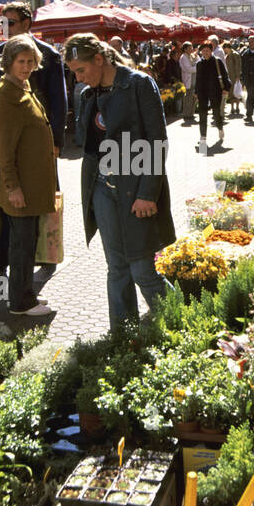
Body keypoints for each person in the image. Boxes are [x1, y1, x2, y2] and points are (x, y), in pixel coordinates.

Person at [65, 33, 174, 330]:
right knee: (117, 268)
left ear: (99, 59)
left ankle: (180, 324)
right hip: (101, 188)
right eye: (74, 72)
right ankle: (123, 336)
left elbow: (157, 140)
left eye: (81, 70)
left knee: (142, 269)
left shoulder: (138, 84)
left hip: (136, 190)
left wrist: (148, 193)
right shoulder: (89, 94)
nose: (78, 78)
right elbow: (87, 146)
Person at [0, 2, 66, 273]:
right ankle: (1, 252)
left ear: (27, 23)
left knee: (43, 199)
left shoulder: (48, 55)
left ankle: (45, 253)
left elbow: (59, 101)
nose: (6, 28)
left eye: (12, 22)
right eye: (3, 23)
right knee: (5, 195)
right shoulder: (0, 53)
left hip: (39, 141)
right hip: (9, 136)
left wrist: (57, 142)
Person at [0, 36, 58, 318]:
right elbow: (5, 149)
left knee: (28, 243)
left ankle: (25, 292)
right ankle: (20, 302)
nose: (27, 66)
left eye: (31, 61)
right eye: (21, 61)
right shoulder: (7, 94)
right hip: (22, 188)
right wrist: (12, 187)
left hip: (33, 184)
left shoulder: (23, 86)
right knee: (21, 246)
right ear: (9, 61)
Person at [194, 41, 229, 151]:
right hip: (203, 92)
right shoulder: (199, 64)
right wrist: (196, 93)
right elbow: (198, 80)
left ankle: (220, 127)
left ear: (211, 50)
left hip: (215, 91)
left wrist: (226, 88)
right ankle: (203, 138)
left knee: (216, 112)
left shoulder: (217, 61)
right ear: (201, 52)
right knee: (202, 115)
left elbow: (225, 75)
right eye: (203, 51)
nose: (206, 52)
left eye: (208, 50)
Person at [178, 40, 196, 124]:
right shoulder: (183, 57)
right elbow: (188, 69)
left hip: (194, 80)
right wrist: (197, 67)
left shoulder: (191, 56)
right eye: (189, 48)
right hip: (188, 80)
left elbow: (198, 61)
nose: (191, 49)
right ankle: (186, 114)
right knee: (188, 98)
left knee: (193, 97)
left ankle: (191, 113)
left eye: (191, 47)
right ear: (185, 49)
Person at [224, 41, 243, 118]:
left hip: (235, 76)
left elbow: (238, 65)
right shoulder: (227, 56)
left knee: (237, 92)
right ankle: (232, 108)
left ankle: (237, 107)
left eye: (226, 48)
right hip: (230, 76)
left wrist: (238, 76)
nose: (225, 50)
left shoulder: (235, 54)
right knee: (231, 93)